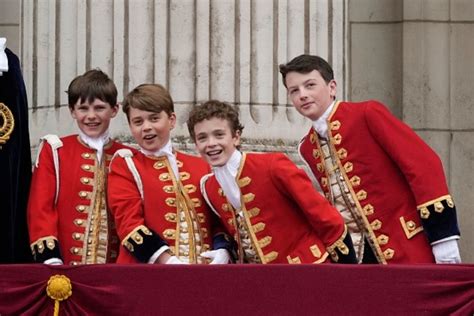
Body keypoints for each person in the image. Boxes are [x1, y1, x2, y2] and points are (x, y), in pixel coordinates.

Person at [279, 54, 461, 264]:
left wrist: (443, 236)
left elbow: (424, 166)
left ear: (332, 87)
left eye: (310, 85)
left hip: (408, 245)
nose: (303, 95)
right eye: (294, 90)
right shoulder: (307, 147)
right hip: (359, 259)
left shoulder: (367, 113)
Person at [187, 100, 357, 264]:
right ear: (195, 144)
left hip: (308, 268)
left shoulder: (272, 165)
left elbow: (325, 217)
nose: (211, 144)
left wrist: (347, 272)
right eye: (202, 138)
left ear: (236, 137)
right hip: (262, 281)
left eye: (219, 135)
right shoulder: (209, 187)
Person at [107, 84, 233, 264]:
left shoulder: (201, 165)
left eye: (154, 118)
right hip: (146, 275)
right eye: (138, 122)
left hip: (202, 274)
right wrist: (167, 261)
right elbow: (128, 224)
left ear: (172, 120)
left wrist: (223, 249)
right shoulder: (125, 165)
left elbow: (218, 221)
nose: (146, 127)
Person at [27, 69, 129, 265]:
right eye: (83, 108)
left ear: (114, 109)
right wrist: (51, 260)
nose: (91, 116)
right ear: (73, 111)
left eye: (99, 108)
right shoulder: (55, 150)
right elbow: (41, 209)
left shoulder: (125, 156)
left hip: (115, 271)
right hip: (65, 267)